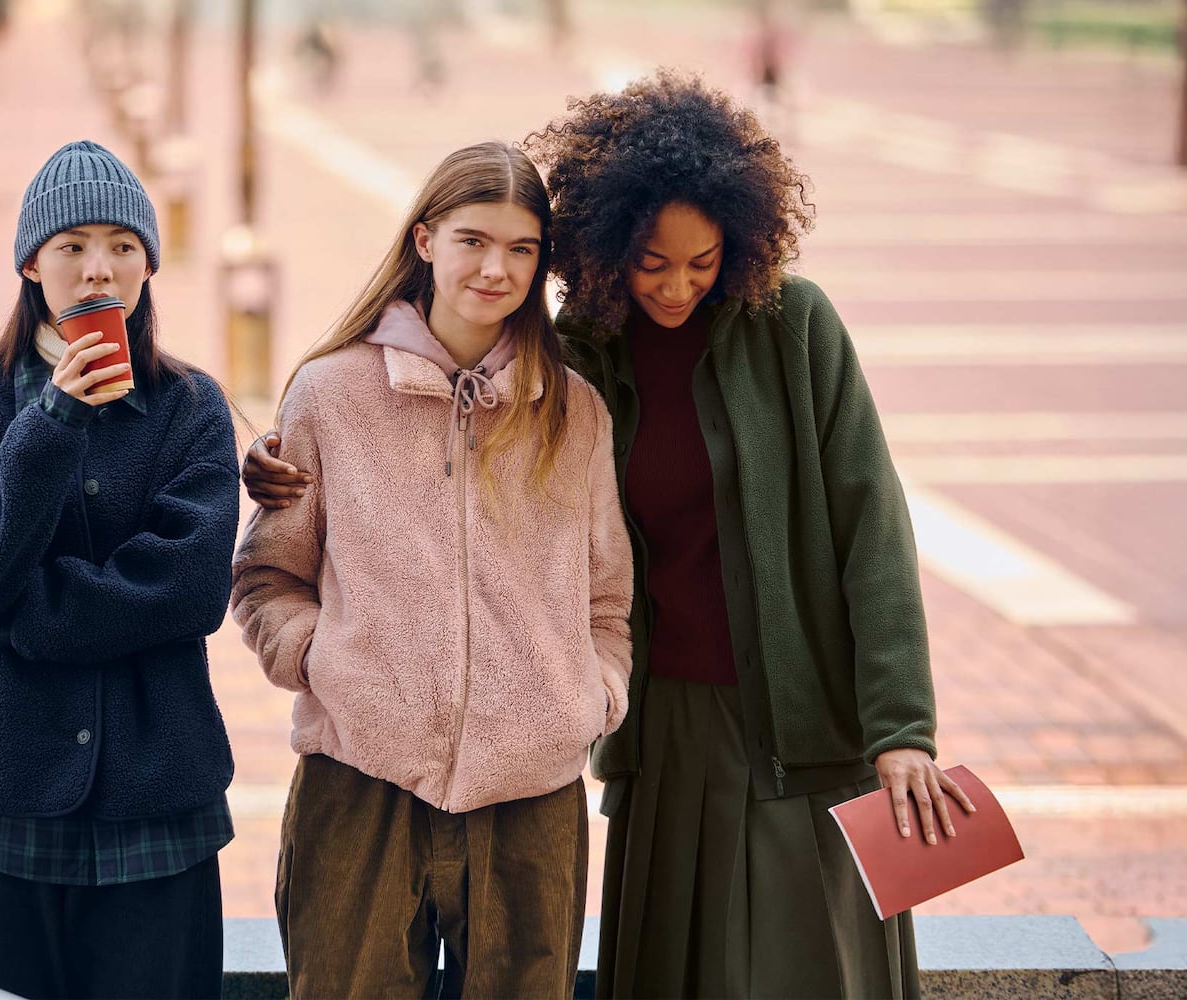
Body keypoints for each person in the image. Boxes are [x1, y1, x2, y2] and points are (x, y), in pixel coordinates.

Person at [245, 73, 970, 998]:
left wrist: (901, 725)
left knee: (815, 971)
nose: (676, 286)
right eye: (651, 262)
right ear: (608, 250)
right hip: (664, 736)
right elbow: (314, 544)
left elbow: (873, 524)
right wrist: (321, 635)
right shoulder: (583, 353)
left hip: (802, 721)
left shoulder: (791, 330)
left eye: (702, 262)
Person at [230, 140, 633, 999]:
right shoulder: (329, 395)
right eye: (473, 241)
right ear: (424, 241)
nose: (496, 268)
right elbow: (268, 577)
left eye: (522, 250)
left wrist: (590, 694)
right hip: (359, 783)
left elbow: (608, 599)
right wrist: (328, 663)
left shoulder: (576, 412)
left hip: (533, 795)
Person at [0, 139, 239, 999]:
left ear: (148, 267)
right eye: (74, 247)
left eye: (123, 248)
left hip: (154, 787)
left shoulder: (193, 410)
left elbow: (190, 590)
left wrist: (10, 625)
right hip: (0, 785)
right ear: (31, 263)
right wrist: (52, 418)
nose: (100, 271)